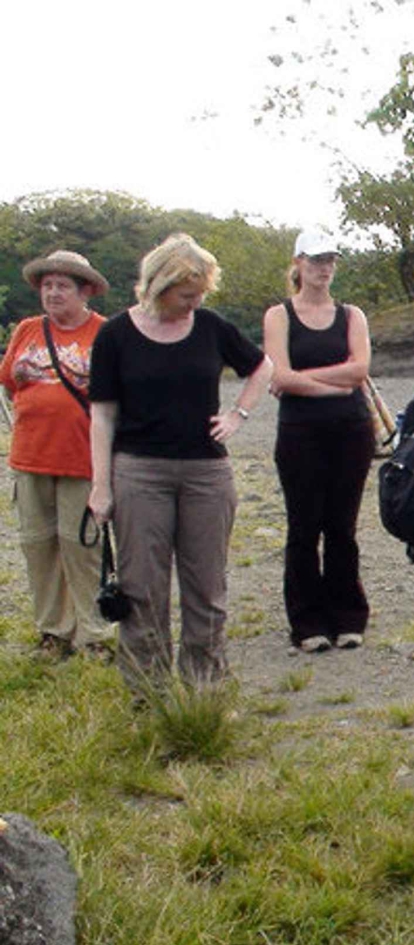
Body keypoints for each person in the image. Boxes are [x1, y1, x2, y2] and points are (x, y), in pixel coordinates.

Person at [87, 234, 273, 690]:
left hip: (206, 472)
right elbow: (103, 415)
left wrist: (238, 413)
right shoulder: (114, 336)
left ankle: (202, 688)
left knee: (206, 586)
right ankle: (146, 691)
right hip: (138, 471)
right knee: (142, 587)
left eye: (201, 294)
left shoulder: (211, 327)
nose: (195, 303)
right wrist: (100, 486)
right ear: (158, 285)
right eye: (187, 294)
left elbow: (262, 367)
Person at [261, 229, 374, 653]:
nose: (323, 268)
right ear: (298, 264)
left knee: (342, 527)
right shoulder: (279, 315)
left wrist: (304, 380)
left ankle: (348, 615)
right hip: (300, 432)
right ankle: (307, 621)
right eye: (314, 260)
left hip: (351, 430)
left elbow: (359, 368)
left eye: (329, 260)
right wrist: (333, 380)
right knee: (303, 527)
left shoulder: (352, 315)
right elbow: (279, 374)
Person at [0, 251, 113, 659]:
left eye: (62, 285)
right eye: (47, 285)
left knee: (82, 549)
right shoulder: (27, 330)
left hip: (82, 460)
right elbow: (10, 384)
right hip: (30, 458)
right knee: (39, 547)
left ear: (85, 291)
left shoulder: (105, 333)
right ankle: (54, 632)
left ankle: (95, 635)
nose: (52, 292)